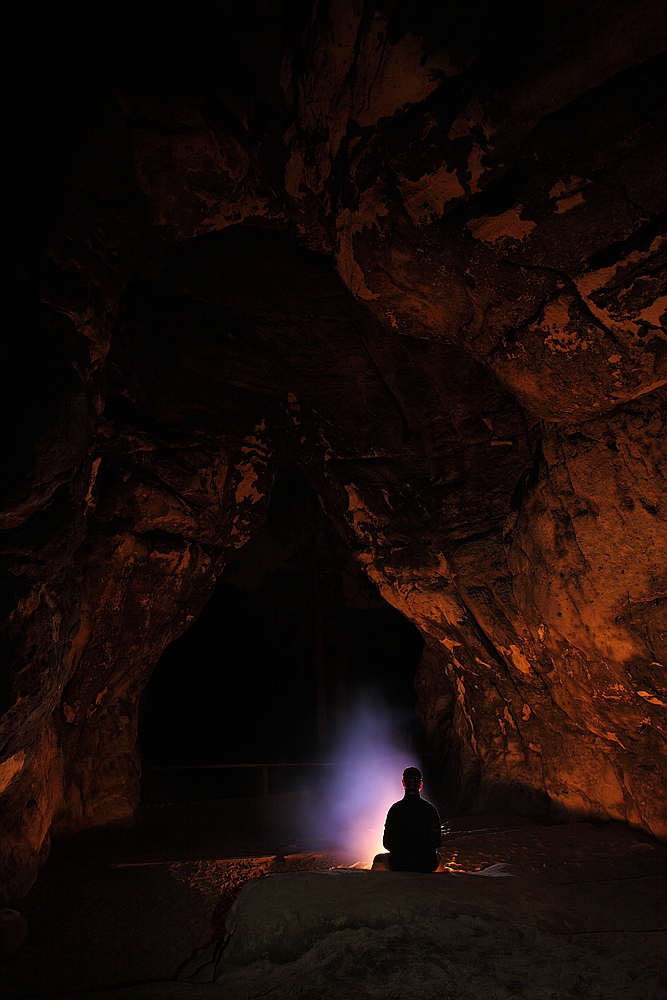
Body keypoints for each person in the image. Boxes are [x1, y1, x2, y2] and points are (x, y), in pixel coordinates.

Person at [372, 766, 443, 872]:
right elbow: (437, 842)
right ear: (420, 785)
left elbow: (386, 843)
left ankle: (381, 887)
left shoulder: (395, 809)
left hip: (399, 864)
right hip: (427, 864)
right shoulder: (430, 809)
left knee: (378, 860)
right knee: (439, 858)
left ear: (403, 784)